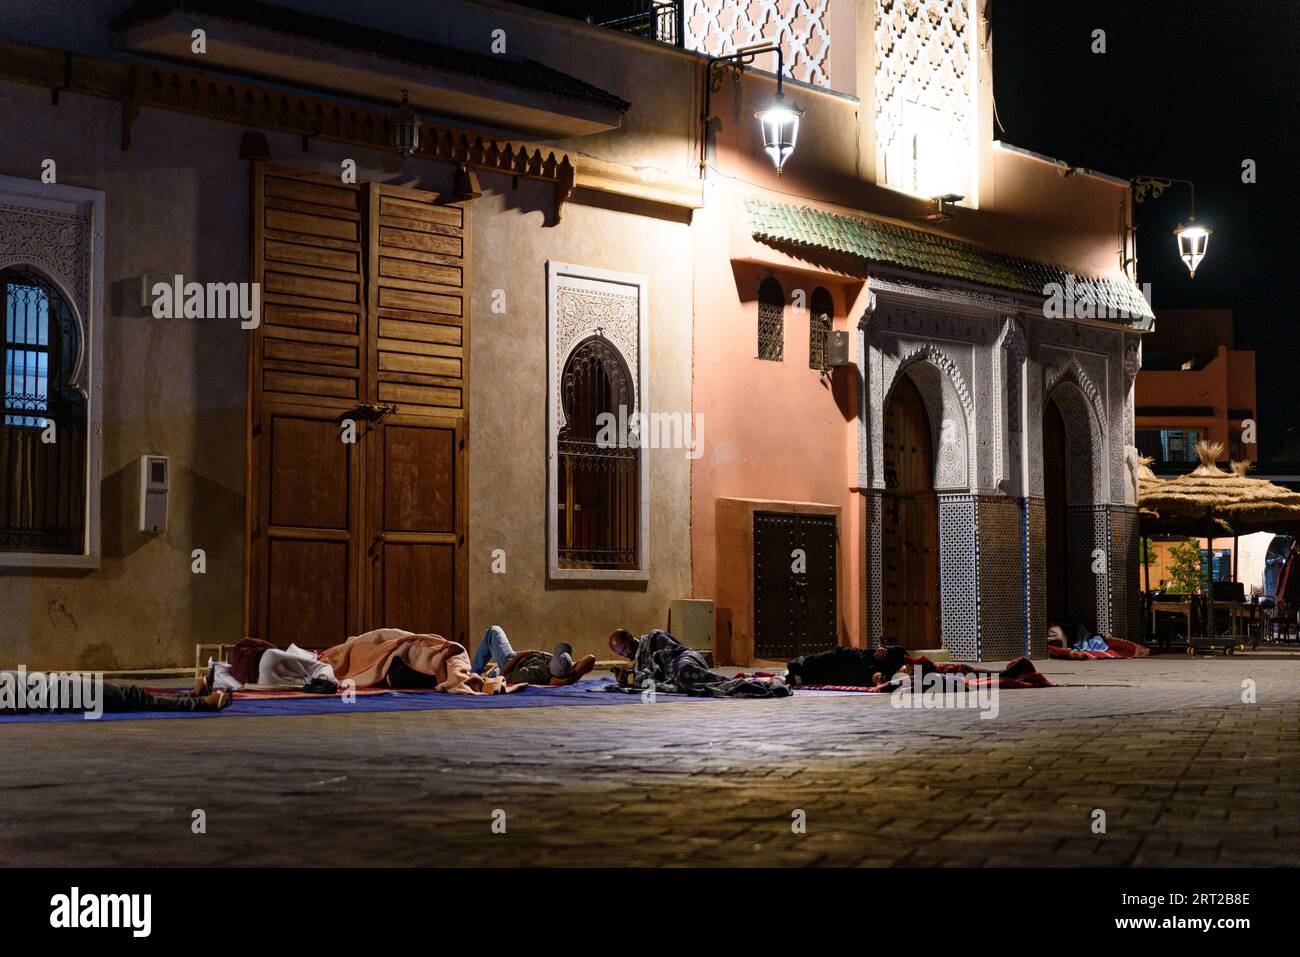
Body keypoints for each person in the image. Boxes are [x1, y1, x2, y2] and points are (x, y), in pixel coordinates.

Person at [607, 628, 790, 697]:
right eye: (622, 653)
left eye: (625, 648)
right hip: (672, 675)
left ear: (630, 637)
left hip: (683, 659)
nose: (626, 653)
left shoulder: (654, 637)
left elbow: (670, 656)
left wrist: (638, 676)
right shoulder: (637, 663)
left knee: (685, 670)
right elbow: (648, 677)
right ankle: (745, 683)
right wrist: (628, 679)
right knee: (685, 683)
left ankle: (752, 682)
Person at [786, 643, 1041, 689]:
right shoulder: (827, 676)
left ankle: (1011, 672)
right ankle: (1009, 674)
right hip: (896, 673)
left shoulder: (825, 660)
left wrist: (876, 670)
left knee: (954, 673)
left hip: (894, 666)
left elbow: (856, 654)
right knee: (956, 677)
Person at [1, 675, 230, 715]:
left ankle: (189, 695)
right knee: (130, 696)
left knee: (126, 692)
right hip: (57, 693)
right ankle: (201, 704)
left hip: (49, 683)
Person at [470, 626, 596, 686]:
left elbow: (504, 677)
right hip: (521, 660)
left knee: (493, 631)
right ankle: (489, 673)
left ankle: (472, 673)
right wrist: (568, 680)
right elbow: (591, 658)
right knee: (493, 672)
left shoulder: (533, 673)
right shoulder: (567, 670)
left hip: (511, 662)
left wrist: (520, 656)